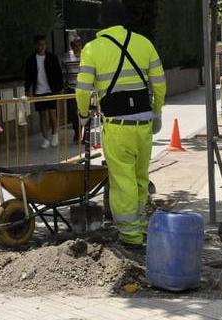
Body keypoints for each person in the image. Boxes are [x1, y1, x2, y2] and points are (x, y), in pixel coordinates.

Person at [75, 0, 166, 248]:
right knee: (140, 177)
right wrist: (157, 113)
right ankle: (143, 226)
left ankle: (130, 234)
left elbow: (82, 91)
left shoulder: (92, 49)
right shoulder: (144, 43)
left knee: (122, 180)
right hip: (144, 123)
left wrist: (83, 116)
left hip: (117, 125)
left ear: (101, 21)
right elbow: (159, 83)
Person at [24, 35, 64, 149]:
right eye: (39, 45)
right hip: (38, 91)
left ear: (46, 45)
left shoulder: (52, 58)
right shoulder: (31, 60)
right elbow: (28, 76)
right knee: (42, 115)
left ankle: (55, 135)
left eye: (43, 44)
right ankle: (45, 138)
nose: (41, 47)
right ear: (36, 46)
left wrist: (59, 88)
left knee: (52, 113)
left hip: (50, 90)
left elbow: (58, 73)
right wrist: (27, 89)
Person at [63, 36, 82, 142]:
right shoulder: (66, 57)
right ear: (71, 46)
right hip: (71, 88)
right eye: (75, 45)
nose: (77, 47)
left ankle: (85, 134)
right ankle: (77, 132)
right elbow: (64, 73)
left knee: (84, 112)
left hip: (84, 88)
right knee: (73, 112)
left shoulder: (86, 56)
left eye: (79, 44)